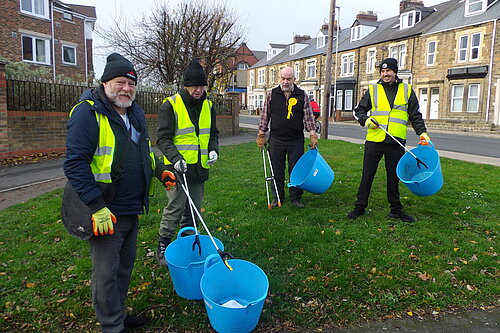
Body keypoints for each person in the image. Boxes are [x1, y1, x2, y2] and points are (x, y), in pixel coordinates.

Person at [63, 53, 175, 333]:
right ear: (105, 83)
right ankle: (111, 325)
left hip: (131, 206)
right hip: (105, 210)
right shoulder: (88, 113)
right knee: (106, 272)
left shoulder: (134, 111)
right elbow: (75, 164)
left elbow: (143, 151)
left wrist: (160, 169)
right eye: (120, 82)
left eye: (131, 84)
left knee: (124, 267)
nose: (126, 89)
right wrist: (97, 206)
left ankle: (118, 314)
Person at [347, 58, 431, 223]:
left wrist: (422, 133)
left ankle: (395, 209)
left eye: (389, 71)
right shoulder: (373, 89)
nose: (385, 74)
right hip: (375, 139)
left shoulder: (407, 90)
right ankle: (360, 206)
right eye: (383, 71)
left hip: (396, 141)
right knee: (367, 175)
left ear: (395, 72)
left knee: (394, 176)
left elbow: (415, 115)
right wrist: (366, 120)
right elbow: (358, 110)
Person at [156, 59, 219, 265]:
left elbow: (213, 135)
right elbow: (163, 139)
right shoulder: (171, 105)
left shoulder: (208, 106)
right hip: (177, 168)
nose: (198, 90)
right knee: (176, 206)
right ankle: (164, 242)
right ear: (186, 85)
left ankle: (188, 242)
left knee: (194, 208)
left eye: (201, 86)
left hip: (199, 168)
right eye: (194, 86)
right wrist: (176, 159)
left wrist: (213, 150)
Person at [256, 66, 318, 208]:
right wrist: (261, 134)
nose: (285, 81)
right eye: (283, 78)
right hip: (276, 140)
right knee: (276, 170)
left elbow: (308, 117)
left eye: (288, 79)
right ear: (279, 78)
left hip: (295, 140)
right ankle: (277, 197)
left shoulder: (302, 95)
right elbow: (265, 115)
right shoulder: (272, 94)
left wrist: (313, 135)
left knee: (296, 170)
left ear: (294, 80)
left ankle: (296, 198)